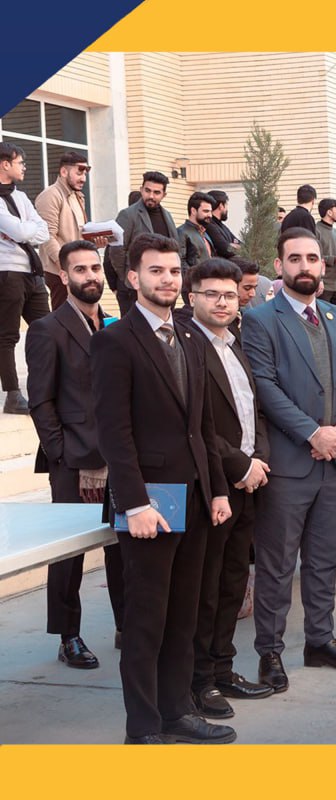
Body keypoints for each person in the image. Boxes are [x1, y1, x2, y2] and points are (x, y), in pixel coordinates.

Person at [91, 232, 234, 744]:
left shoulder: (191, 337)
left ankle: (176, 713)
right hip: (148, 504)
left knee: (183, 616)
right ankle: (143, 727)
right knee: (146, 619)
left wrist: (217, 490)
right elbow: (114, 432)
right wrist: (133, 503)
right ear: (133, 278)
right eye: (156, 271)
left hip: (193, 498)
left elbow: (203, 427)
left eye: (174, 271)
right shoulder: (114, 341)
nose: (167, 279)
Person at [240, 228, 336, 690]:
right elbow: (264, 387)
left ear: (323, 265)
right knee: (277, 566)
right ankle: (270, 652)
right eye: (294, 258)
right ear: (279, 266)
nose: (305, 266)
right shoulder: (260, 320)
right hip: (289, 465)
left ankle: (320, 641)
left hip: (334, 463)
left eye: (312, 258)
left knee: (324, 560)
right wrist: (313, 433)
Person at [178, 258, 275, 719]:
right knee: (207, 587)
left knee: (234, 582)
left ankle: (222, 669)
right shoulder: (185, 345)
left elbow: (254, 411)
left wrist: (260, 462)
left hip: (249, 482)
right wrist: (240, 465)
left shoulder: (235, 344)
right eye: (212, 294)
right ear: (191, 297)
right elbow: (194, 424)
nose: (222, 302)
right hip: (212, 484)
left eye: (230, 295)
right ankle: (198, 681)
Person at [25, 240, 124, 668]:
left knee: (123, 548)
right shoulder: (47, 329)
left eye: (95, 268)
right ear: (64, 277)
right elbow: (40, 401)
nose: (91, 276)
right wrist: (63, 455)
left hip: (119, 458)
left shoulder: (114, 327)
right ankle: (69, 637)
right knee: (69, 555)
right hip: (73, 462)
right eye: (80, 270)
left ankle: (128, 626)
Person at [0, 142, 51, 415]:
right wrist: (24, 230)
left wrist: (22, 230)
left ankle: (49, 387)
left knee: (49, 330)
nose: (24, 167)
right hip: (7, 272)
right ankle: (12, 395)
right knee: (7, 336)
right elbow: (22, 233)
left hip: (33, 273)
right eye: (20, 162)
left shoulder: (20, 197)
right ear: (5, 164)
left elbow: (44, 231)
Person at [35, 151, 110, 310]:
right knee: (64, 317)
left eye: (85, 173)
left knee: (83, 314)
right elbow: (47, 236)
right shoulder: (50, 195)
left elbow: (77, 236)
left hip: (78, 268)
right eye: (79, 172)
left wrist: (94, 243)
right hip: (60, 272)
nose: (83, 178)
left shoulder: (77, 196)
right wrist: (65, 267)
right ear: (64, 172)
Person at [112, 171, 177, 317]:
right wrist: (127, 277)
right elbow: (116, 250)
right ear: (141, 190)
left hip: (163, 287)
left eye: (156, 192)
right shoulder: (128, 215)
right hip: (134, 288)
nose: (151, 196)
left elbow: (175, 249)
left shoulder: (167, 216)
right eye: (147, 190)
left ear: (164, 195)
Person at [176, 192, 216, 271]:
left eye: (210, 211)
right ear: (193, 211)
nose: (210, 215)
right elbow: (180, 261)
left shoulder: (204, 232)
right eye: (206, 211)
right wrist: (193, 277)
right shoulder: (181, 232)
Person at [316, 198, 336, 304]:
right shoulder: (316, 230)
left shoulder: (335, 232)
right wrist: (333, 259)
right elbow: (314, 257)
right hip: (324, 285)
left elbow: (335, 255)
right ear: (329, 212)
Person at [204, 190, 243, 260]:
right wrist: (231, 245)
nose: (227, 209)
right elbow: (225, 249)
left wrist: (231, 245)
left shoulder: (222, 226)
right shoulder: (209, 225)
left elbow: (241, 245)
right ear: (221, 206)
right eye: (226, 205)